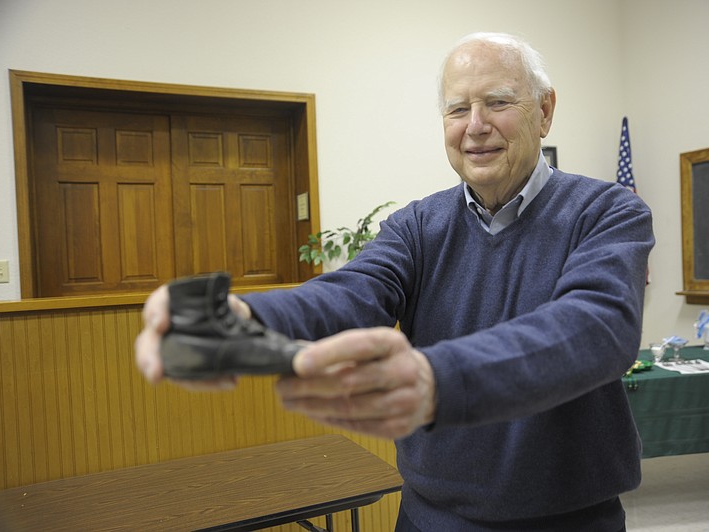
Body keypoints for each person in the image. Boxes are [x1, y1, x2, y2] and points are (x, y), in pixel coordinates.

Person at [136, 32, 654, 531]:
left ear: (543, 111)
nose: (475, 126)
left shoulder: (607, 212)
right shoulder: (417, 225)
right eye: (456, 109)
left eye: (497, 102)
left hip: (570, 521)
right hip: (429, 517)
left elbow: (596, 328)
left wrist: (437, 380)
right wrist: (246, 317)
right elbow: (354, 291)